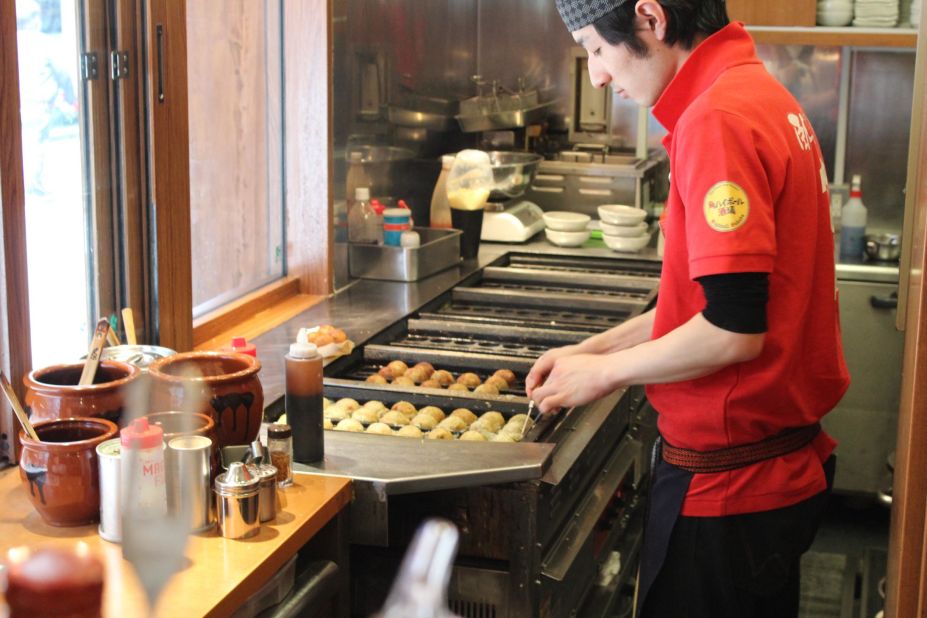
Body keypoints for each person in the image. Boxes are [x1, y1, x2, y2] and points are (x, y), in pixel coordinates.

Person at [528, 1, 850, 616]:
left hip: (731, 486)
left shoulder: (717, 119)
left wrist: (603, 375)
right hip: (774, 472)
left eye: (595, 48)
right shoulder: (755, 93)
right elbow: (711, 304)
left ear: (650, 18)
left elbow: (732, 331)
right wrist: (591, 349)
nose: (595, 74)